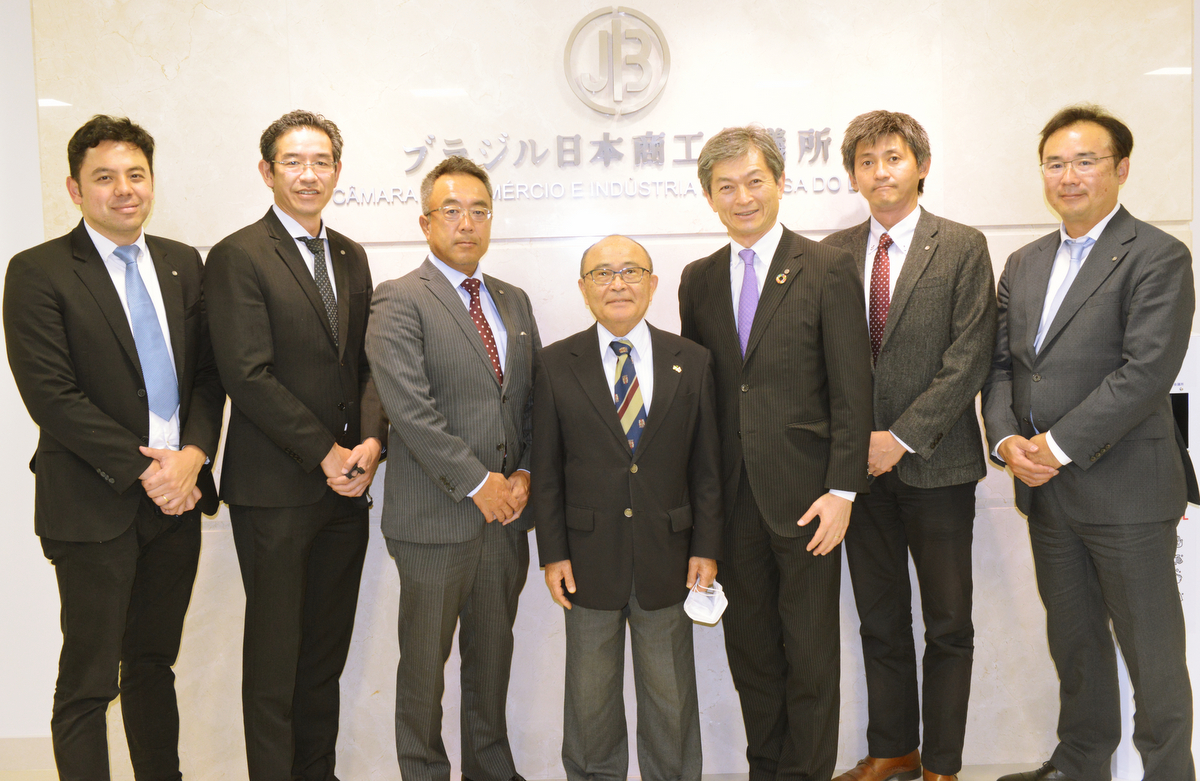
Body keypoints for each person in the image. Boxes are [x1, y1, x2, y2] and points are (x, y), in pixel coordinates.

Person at [4, 115, 225, 780]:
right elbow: (52, 396)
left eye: (136, 174)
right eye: (105, 177)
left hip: (177, 500)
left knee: (153, 664)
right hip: (91, 503)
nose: (124, 189)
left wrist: (193, 456)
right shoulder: (38, 271)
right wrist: (147, 470)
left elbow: (208, 375)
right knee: (90, 679)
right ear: (75, 189)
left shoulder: (183, 263)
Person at [982, 104, 1197, 781]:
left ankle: (1169, 771)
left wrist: (1054, 446)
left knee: (1152, 653)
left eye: (1085, 161)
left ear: (1121, 169)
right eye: (1055, 163)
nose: (1068, 176)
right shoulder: (1024, 262)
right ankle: (1080, 763)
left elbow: (1146, 372)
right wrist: (1007, 440)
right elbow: (1002, 367)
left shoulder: (1159, 256)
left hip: (1126, 489)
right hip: (1047, 495)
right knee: (1074, 642)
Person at [678, 126, 873, 781]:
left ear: (781, 183)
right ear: (709, 196)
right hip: (733, 503)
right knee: (753, 656)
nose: (743, 197)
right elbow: (702, 398)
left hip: (810, 499)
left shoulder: (827, 266)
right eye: (726, 186)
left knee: (811, 657)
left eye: (755, 181)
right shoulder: (698, 280)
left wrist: (843, 490)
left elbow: (852, 388)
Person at [204, 109, 386, 781]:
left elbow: (366, 364)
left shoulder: (351, 255)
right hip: (275, 492)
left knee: (323, 658)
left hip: (346, 492)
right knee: (275, 663)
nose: (309, 174)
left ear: (337, 170)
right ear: (267, 171)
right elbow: (246, 375)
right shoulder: (239, 255)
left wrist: (371, 441)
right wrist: (325, 453)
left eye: (321, 162)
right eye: (293, 162)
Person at [822, 111, 996, 781]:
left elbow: (969, 356)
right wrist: (854, 445)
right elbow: (822, 361)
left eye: (893, 158)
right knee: (880, 619)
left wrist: (900, 437)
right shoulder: (832, 254)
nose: (880, 172)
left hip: (938, 464)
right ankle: (893, 747)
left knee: (948, 623)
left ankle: (943, 764)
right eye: (866, 161)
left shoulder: (962, 246)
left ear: (921, 166)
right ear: (853, 175)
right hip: (857, 473)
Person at [365, 156, 539, 781]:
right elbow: (409, 409)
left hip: (505, 519)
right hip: (435, 521)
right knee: (424, 667)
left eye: (479, 211)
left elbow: (529, 401)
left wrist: (523, 477)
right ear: (425, 222)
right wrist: (478, 483)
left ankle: (491, 769)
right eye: (451, 211)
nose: (467, 223)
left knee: (492, 661)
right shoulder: (400, 298)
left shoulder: (513, 301)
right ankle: (423, 771)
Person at [529, 235, 723, 781]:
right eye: (602, 274)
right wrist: (553, 554)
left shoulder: (693, 360)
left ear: (652, 283)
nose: (617, 283)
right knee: (589, 703)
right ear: (583, 288)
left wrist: (707, 547)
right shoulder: (554, 363)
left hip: (671, 557)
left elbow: (708, 468)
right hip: (586, 560)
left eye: (631, 271)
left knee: (671, 700)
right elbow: (546, 470)